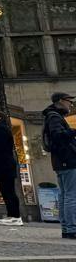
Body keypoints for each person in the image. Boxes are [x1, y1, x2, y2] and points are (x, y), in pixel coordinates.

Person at [42, 91, 76, 239]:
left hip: (61, 161)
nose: (71, 104)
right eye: (69, 101)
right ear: (61, 101)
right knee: (70, 196)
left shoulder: (53, 116)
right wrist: (73, 132)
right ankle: (71, 228)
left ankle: (67, 228)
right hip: (67, 160)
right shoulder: (54, 117)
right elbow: (59, 136)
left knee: (65, 195)